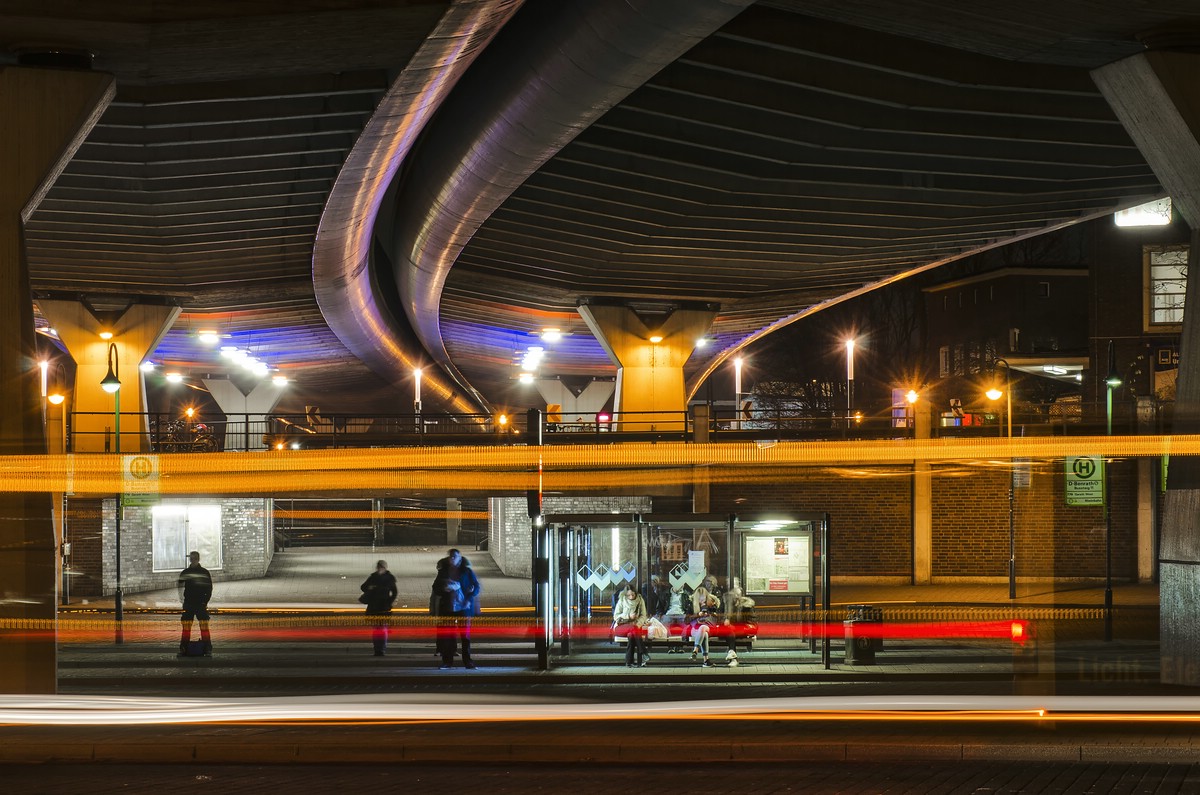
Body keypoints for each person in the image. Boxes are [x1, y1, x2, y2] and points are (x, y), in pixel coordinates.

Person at [431, 548, 481, 669]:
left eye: (455, 556)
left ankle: (467, 661)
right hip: (448, 607)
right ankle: (447, 661)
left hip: (463, 607)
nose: (452, 558)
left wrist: (471, 594)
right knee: (447, 636)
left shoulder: (467, 571)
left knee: (465, 636)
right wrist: (444, 588)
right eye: (451, 556)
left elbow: (476, 586)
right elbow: (435, 587)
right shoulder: (443, 572)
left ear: (460, 558)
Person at [177, 551, 213, 656]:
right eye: (192, 558)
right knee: (203, 626)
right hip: (197, 603)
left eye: (193, 558)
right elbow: (209, 588)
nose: (192, 560)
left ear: (196, 559)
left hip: (192, 603)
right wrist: (205, 600)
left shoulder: (186, 572)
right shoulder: (204, 572)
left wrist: (182, 600)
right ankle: (207, 648)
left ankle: (184, 648)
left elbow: (180, 585)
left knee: (188, 627)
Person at [360, 559, 398, 656]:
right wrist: (370, 588)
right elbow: (363, 587)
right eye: (378, 567)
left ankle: (381, 649)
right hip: (376, 606)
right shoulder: (374, 577)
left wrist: (389, 602)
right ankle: (378, 649)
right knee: (377, 628)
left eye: (380, 567)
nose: (379, 569)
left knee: (381, 628)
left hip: (382, 606)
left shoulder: (388, 578)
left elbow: (394, 592)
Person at [612, 584, 650, 667]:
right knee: (633, 629)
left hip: (634, 626)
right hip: (621, 626)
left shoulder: (640, 600)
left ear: (635, 593)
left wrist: (638, 623)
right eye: (628, 595)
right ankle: (643, 652)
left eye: (633, 594)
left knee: (631, 635)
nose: (631, 597)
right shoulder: (622, 600)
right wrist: (628, 616)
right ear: (626, 595)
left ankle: (629, 662)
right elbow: (616, 616)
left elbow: (643, 615)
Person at [688, 585, 720, 667]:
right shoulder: (691, 606)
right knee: (704, 634)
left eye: (704, 597)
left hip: (709, 628)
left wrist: (711, 612)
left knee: (703, 628)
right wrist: (697, 615)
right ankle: (706, 661)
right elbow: (686, 620)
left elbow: (718, 617)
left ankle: (695, 650)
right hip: (695, 629)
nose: (702, 600)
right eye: (700, 598)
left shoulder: (711, 605)